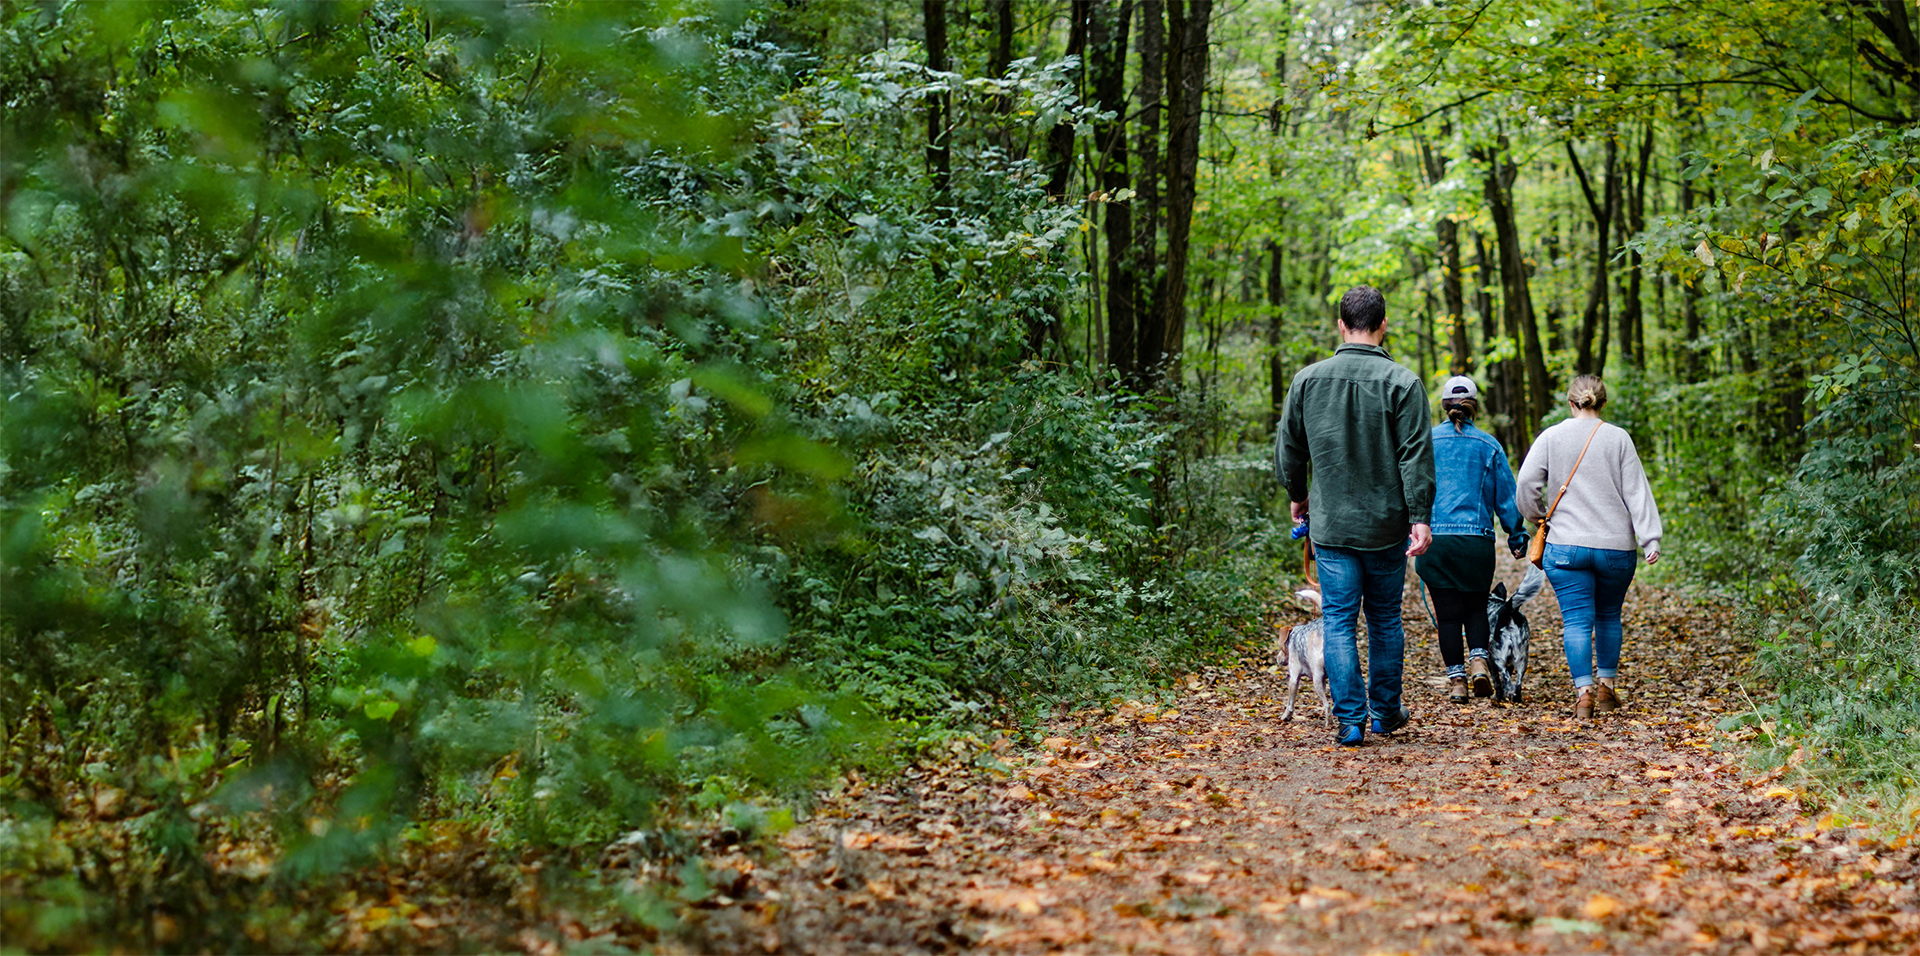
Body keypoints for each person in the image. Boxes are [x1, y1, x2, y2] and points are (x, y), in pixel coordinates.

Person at [1275, 285, 1435, 747]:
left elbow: (1289, 449)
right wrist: (1420, 516)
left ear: (1341, 326)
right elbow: (1416, 457)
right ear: (1384, 325)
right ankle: (1385, 712)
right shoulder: (1404, 383)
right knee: (1385, 619)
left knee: (1341, 621)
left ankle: (1350, 722)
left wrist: (1299, 495)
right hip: (1387, 526)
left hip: (1332, 525)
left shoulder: (1306, 380)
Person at [1516, 375, 1663, 718]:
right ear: (1602, 403)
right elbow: (1637, 492)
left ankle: (1583, 694)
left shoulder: (1551, 436)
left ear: (1571, 402)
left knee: (1576, 621)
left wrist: (1538, 516)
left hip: (1566, 547)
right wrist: (1649, 538)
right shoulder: (1618, 438)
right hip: (1615, 548)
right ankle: (1607, 689)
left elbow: (1526, 482)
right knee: (1609, 616)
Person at [1416, 376, 1529, 704]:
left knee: (1448, 616)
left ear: (1443, 406)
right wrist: (1516, 535)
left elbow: (1412, 486)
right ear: (1475, 408)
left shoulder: (1426, 442)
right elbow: (1507, 496)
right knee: (1476, 608)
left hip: (1435, 542)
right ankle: (1479, 662)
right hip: (1476, 543)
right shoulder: (1489, 445)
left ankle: (1457, 684)